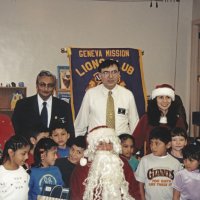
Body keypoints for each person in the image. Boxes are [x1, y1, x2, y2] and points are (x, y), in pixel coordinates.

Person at [70, 126, 141, 200]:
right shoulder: (82, 168)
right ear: (93, 147)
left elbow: (135, 191)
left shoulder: (122, 164)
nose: (106, 148)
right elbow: (76, 196)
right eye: (101, 144)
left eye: (109, 143)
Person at [75, 59, 139, 136]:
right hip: (98, 144)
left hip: (121, 143)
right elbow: (80, 124)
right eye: (106, 73)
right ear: (99, 75)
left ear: (119, 74)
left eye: (114, 72)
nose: (110, 76)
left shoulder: (128, 95)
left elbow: (135, 125)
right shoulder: (90, 94)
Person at [12, 70, 75, 142]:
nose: (46, 88)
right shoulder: (22, 105)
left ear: (54, 87)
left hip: (56, 151)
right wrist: (35, 136)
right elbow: (15, 131)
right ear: (36, 85)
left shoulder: (64, 106)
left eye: (50, 85)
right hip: (29, 150)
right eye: (42, 84)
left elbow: (70, 134)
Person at [133, 84, 186, 155]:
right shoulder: (146, 118)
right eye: (161, 97)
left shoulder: (178, 120)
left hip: (172, 160)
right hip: (150, 159)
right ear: (155, 100)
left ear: (172, 100)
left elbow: (184, 142)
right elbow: (135, 142)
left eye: (168, 97)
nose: (165, 101)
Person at [135, 127, 182, 200]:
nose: (153, 147)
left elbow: (178, 188)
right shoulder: (145, 160)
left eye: (157, 143)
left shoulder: (175, 163)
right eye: (151, 143)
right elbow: (140, 184)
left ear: (168, 145)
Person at [0, 135, 30, 200]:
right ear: (11, 152)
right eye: (23, 154)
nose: (27, 157)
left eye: (28, 153)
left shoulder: (24, 170)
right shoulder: (1, 172)